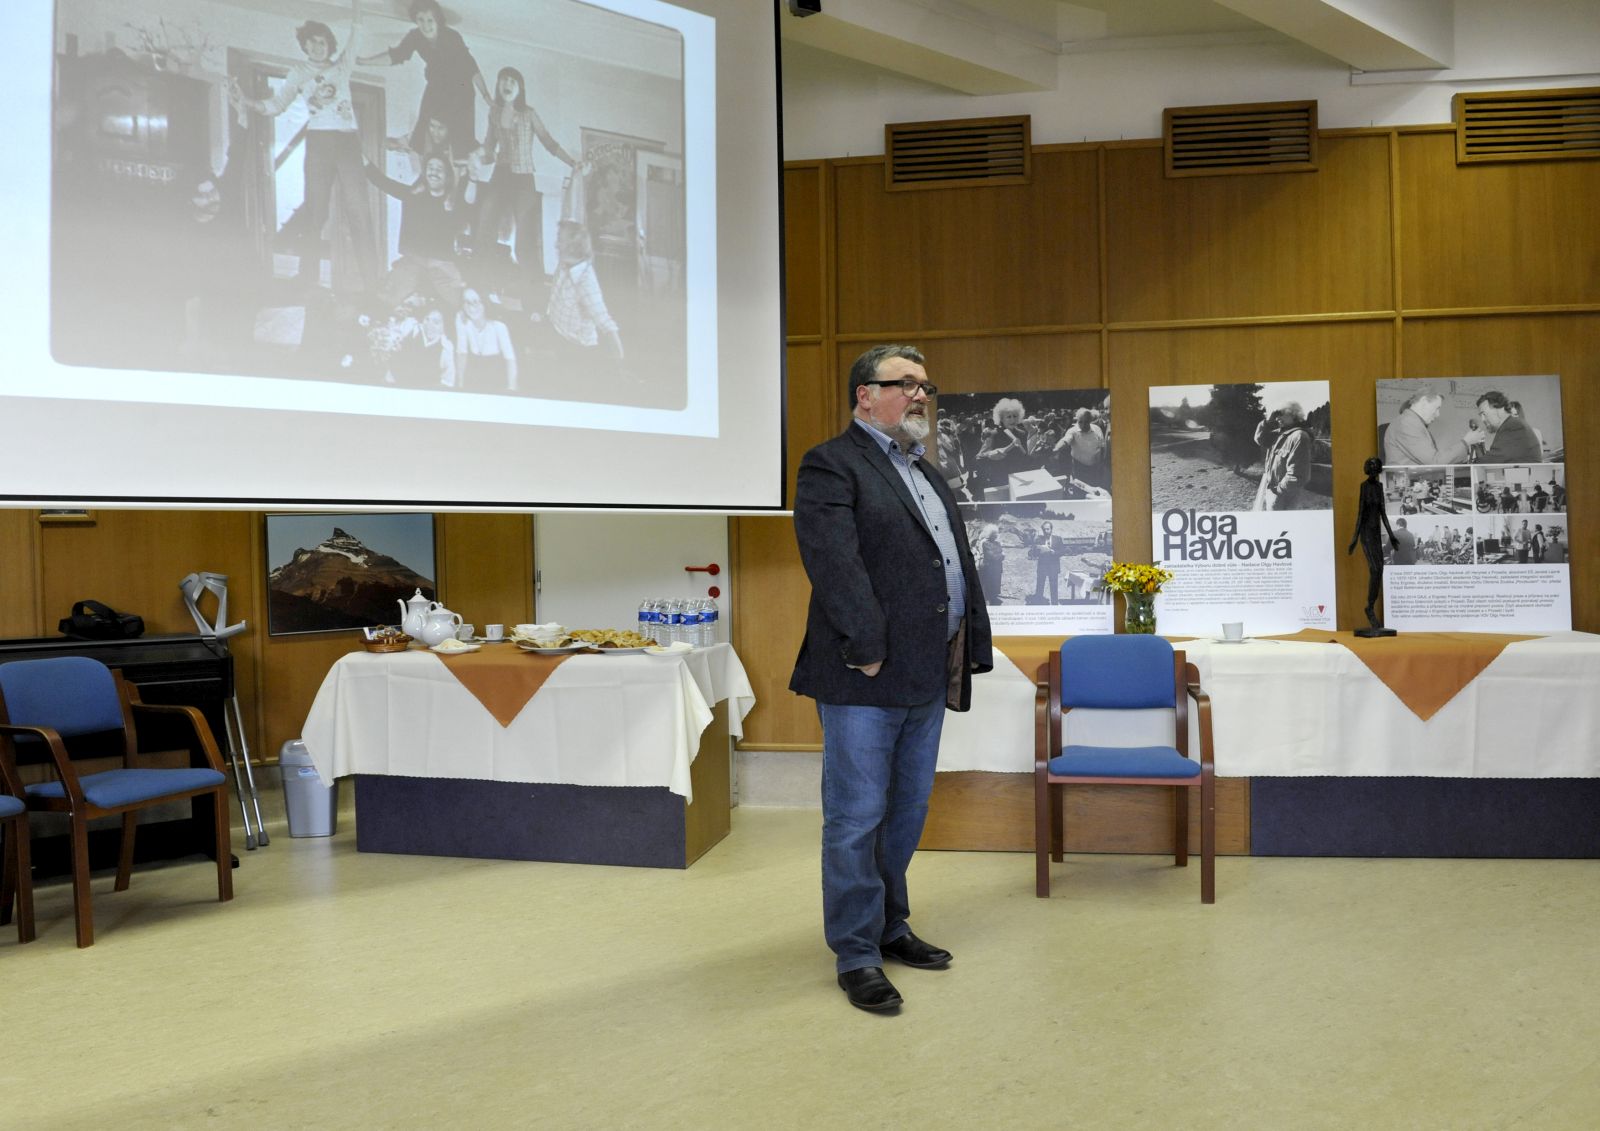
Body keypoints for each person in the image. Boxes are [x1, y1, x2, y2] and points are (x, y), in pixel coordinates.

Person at [789, 344, 993, 1013]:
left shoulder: (924, 471)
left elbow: (950, 563)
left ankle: (888, 924)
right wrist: (868, 649)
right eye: (905, 383)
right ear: (865, 394)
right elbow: (833, 562)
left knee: (905, 813)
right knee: (856, 818)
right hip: (864, 673)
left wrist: (968, 639)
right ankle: (855, 952)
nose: (920, 394)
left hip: (927, 671)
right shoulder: (831, 463)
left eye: (925, 385)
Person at [228, 1, 378, 293]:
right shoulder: (297, 73)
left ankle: (372, 283)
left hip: (347, 141)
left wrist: (357, 8)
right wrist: (246, 102)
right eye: (312, 42)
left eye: (323, 42)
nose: (317, 47)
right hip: (319, 141)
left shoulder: (341, 67)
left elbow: (356, 35)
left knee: (359, 212)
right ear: (305, 45)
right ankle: (307, 278)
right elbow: (276, 105)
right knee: (315, 213)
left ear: (329, 46)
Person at [476, 66, 579, 300]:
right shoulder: (494, 112)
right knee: (484, 228)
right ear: (499, 85)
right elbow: (489, 149)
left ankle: (534, 298)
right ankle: (482, 290)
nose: (507, 84)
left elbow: (549, 143)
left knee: (524, 242)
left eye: (513, 81)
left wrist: (572, 163)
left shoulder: (529, 114)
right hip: (500, 175)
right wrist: (474, 158)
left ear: (520, 88)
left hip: (523, 179)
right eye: (504, 80)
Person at [358, 0, 490, 154]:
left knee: (456, 129)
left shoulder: (451, 37)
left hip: (460, 88)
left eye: (429, 20)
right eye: (420, 20)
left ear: (437, 20)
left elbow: (470, 67)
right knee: (426, 121)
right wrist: (364, 62)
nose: (425, 25)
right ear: (415, 19)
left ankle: (463, 153)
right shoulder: (415, 36)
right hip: (436, 85)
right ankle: (414, 146)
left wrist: (486, 95)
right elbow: (396, 56)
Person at [364, 153, 466, 312]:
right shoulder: (413, 196)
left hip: (441, 264)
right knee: (386, 301)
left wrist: (452, 209)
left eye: (439, 169)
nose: (434, 172)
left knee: (459, 306)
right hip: (413, 261)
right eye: (430, 168)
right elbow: (382, 182)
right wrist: (362, 157)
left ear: (447, 176)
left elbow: (466, 218)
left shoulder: (453, 203)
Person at [545, 219, 623, 359]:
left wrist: (620, 362)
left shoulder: (586, 281)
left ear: (573, 246)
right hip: (558, 335)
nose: (556, 245)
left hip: (577, 349)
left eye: (560, 240)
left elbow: (605, 322)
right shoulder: (563, 264)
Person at [1254, 403, 1314, 510]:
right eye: (1276, 414)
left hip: (1283, 496)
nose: (1277, 418)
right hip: (1273, 491)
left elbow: (1297, 475)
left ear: (1294, 415)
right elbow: (1260, 439)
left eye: (1280, 413)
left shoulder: (1299, 436)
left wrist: (1277, 491)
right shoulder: (1279, 434)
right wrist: (1267, 422)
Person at [455, 287, 517, 391]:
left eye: (476, 302)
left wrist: (511, 388)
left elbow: (510, 360)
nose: (471, 308)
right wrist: (460, 384)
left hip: (496, 377)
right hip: (472, 375)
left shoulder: (499, 326)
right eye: (467, 302)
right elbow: (461, 353)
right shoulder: (462, 320)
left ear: (484, 302)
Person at [1384, 392, 1470, 467]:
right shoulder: (1407, 423)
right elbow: (1435, 461)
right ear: (1424, 401)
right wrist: (1466, 442)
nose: (1438, 414)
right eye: (1437, 408)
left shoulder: (1412, 423)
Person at [1474, 391, 1543, 463]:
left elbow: (1488, 462)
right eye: (1480, 415)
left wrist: (1469, 442)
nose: (1482, 419)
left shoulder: (1514, 427)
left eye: (1484, 414)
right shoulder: (1510, 425)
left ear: (1499, 409)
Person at [1054, 407, 1108, 487]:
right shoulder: (1072, 431)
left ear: (1090, 420)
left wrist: (1101, 463)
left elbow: (1102, 446)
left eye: (1086, 422)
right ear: (1077, 420)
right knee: (1079, 489)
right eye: (1080, 422)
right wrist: (1056, 449)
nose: (1083, 425)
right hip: (1079, 468)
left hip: (1096, 468)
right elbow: (1065, 440)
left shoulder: (1097, 429)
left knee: (1094, 489)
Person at [1030, 521, 1065, 604]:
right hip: (1042, 567)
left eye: (1048, 529)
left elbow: (1062, 551)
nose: (1046, 531)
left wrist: (1054, 552)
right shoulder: (1039, 539)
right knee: (1040, 587)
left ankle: (1054, 604)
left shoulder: (1058, 539)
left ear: (1051, 529)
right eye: (1044, 529)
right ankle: (1038, 604)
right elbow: (1033, 553)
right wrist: (1038, 550)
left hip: (1053, 567)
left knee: (1054, 587)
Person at [975, 523, 1004, 603]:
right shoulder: (985, 542)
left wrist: (1000, 555)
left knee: (995, 580)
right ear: (990, 534)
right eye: (994, 534)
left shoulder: (996, 543)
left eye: (996, 534)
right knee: (987, 582)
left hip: (995, 566)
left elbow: (1001, 553)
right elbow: (992, 556)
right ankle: (987, 598)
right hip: (986, 565)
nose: (996, 536)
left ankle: (993, 596)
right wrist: (1000, 555)